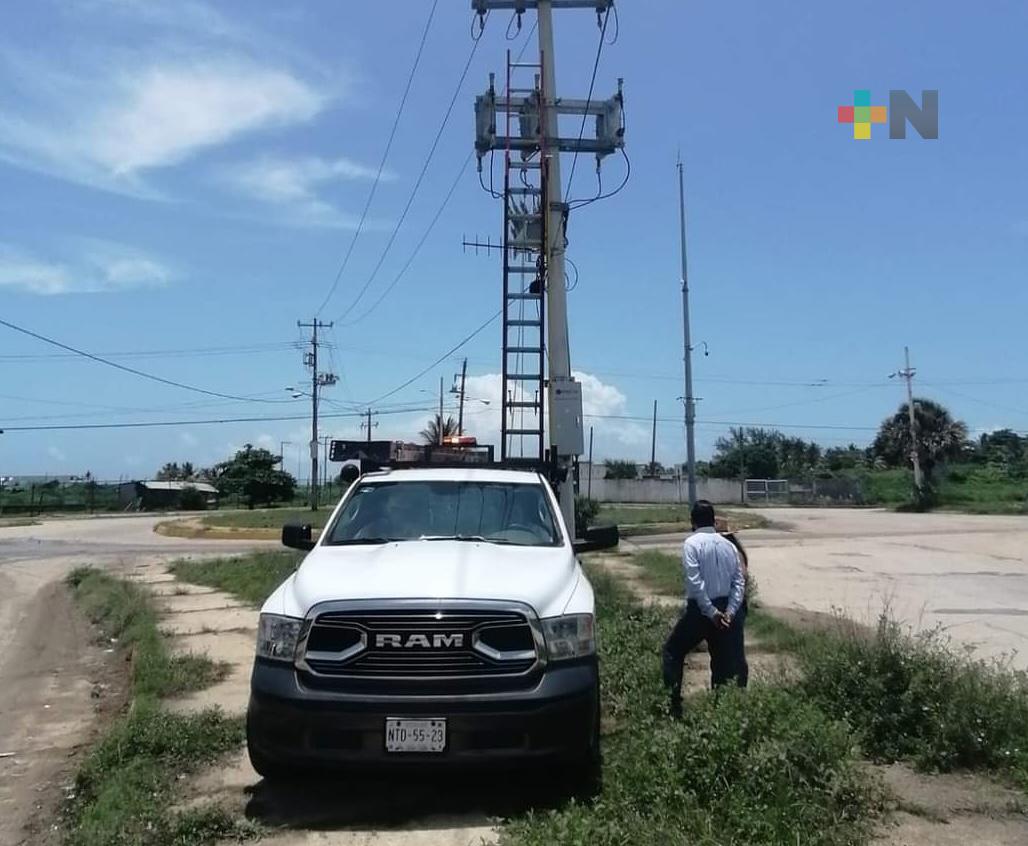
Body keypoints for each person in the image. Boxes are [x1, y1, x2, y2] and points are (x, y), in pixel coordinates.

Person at [661, 500, 746, 717]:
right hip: (727, 609)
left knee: (673, 651)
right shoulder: (729, 545)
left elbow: (695, 582)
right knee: (723, 662)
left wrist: (711, 612)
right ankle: (723, 713)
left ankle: (673, 706)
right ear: (714, 521)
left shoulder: (691, 544)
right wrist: (729, 611)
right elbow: (739, 581)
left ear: (693, 522)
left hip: (700, 611)